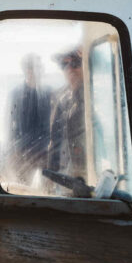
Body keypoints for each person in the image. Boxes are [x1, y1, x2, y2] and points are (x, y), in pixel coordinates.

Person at [6, 53, 52, 185]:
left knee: (47, 190)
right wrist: (13, 152)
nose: (38, 70)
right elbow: (9, 125)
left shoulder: (49, 92)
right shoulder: (16, 94)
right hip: (22, 154)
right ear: (26, 70)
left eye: (39, 67)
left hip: (45, 153)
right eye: (33, 67)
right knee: (23, 188)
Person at [47, 48, 87, 183]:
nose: (70, 69)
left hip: (89, 179)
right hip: (65, 178)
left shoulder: (98, 96)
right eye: (64, 65)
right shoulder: (60, 98)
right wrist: (50, 178)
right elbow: (54, 141)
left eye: (75, 63)